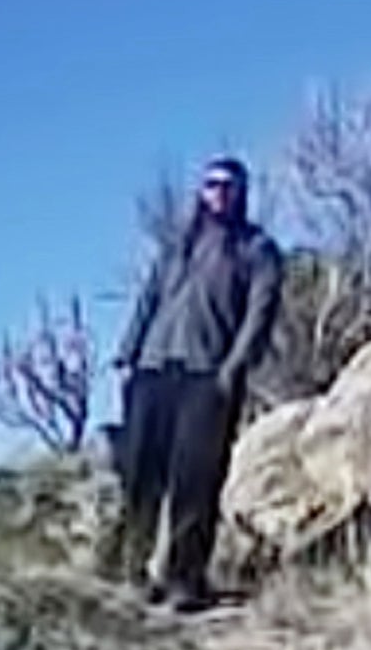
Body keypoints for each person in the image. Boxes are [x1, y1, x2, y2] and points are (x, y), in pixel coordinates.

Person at [107, 156, 283, 611]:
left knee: (196, 481)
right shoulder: (177, 247)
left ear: (241, 193)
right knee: (140, 477)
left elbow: (259, 314)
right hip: (153, 370)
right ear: (200, 191)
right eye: (211, 185)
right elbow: (148, 300)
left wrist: (233, 369)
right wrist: (128, 353)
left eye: (228, 186)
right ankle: (131, 572)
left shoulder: (256, 249)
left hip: (209, 376)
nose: (219, 193)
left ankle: (185, 579)